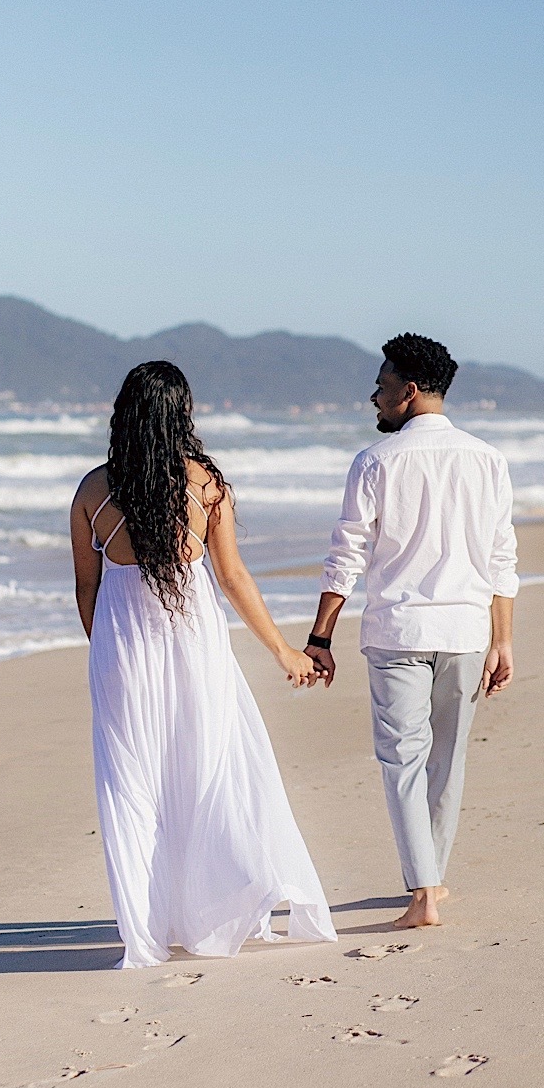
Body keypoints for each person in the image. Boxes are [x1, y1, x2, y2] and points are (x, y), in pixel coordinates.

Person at [71, 360, 337, 968]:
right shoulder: (206, 486)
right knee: (210, 768)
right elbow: (234, 579)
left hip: (122, 655)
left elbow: (86, 592)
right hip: (197, 649)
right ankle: (210, 911)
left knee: (134, 788)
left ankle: (147, 927)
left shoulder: (92, 490)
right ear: (181, 415)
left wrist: (108, 653)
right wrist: (285, 652)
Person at [304, 333, 519, 930]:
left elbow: (346, 555)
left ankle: (422, 892)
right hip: (467, 632)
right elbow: (503, 558)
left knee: (403, 759)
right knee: (447, 760)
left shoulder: (375, 462)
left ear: (410, 390)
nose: (374, 396)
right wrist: (503, 639)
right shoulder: (487, 459)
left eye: (383, 384)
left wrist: (320, 637)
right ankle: (434, 879)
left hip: (399, 630)